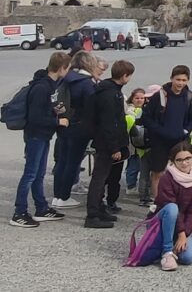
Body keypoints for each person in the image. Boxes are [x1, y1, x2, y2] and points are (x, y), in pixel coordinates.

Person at [11, 52, 71, 227]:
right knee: (30, 174)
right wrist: (58, 120)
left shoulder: (50, 85)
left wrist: (55, 110)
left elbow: (43, 109)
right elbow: (35, 117)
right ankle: (19, 212)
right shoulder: (42, 87)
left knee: (39, 173)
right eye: (67, 68)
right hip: (35, 135)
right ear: (61, 68)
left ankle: (41, 208)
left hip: (42, 135)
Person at [83, 59, 135, 229]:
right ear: (125, 76)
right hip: (106, 143)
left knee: (103, 176)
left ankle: (100, 208)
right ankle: (92, 214)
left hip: (105, 140)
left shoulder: (110, 90)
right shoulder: (110, 94)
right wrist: (115, 147)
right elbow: (109, 123)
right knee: (99, 178)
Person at [51, 50, 100, 208]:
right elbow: (92, 106)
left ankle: (57, 195)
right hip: (79, 127)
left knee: (62, 161)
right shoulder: (86, 82)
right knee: (73, 163)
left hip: (64, 124)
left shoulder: (65, 79)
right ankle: (64, 196)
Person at [143, 65, 192, 198]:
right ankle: (157, 201)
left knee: (181, 171)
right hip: (160, 141)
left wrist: (186, 130)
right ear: (171, 78)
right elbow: (146, 117)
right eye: (178, 79)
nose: (180, 83)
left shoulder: (189, 97)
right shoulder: (160, 96)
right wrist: (159, 130)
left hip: (180, 141)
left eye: (184, 80)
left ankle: (177, 198)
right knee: (158, 172)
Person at [153, 142, 192, 271]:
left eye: (187, 158)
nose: (184, 163)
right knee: (172, 207)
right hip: (163, 218)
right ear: (173, 161)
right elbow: (168, 205)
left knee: (188, 258)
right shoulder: (166, 178)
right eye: (179, 160)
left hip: (181, 224)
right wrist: (181, 234)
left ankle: (167, 246)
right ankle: (167, 251)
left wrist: (185, 234)